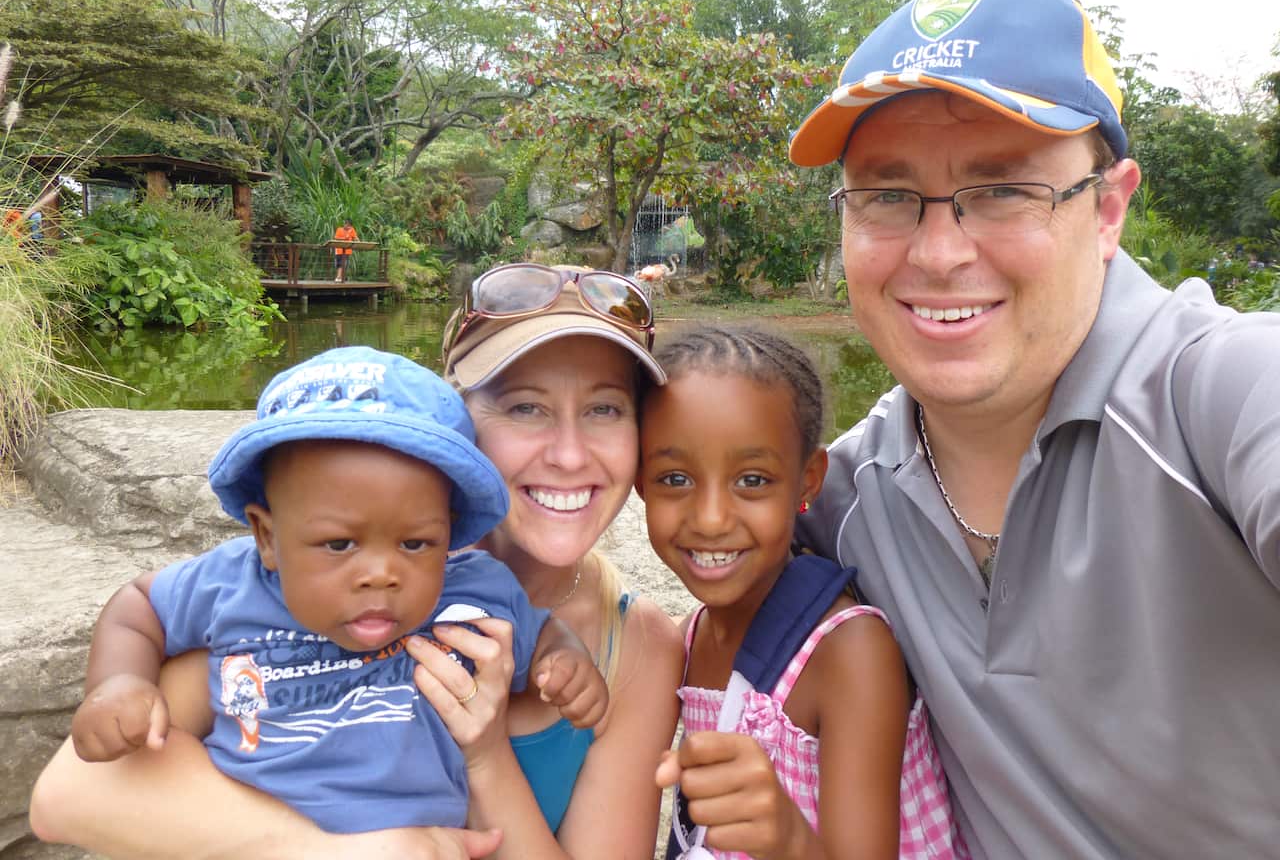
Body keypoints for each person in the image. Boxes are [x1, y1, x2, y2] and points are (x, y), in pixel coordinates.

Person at [787, 0, 1280, 858]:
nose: (938, 254)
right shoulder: (841, 500)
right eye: (888, 195)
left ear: (1109, 209)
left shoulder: (1221, 395)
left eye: (1004, 188)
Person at [30, 263, 685, 860]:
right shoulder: (291, 605)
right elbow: (70, 796)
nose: (569, 454)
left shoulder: (633, 647)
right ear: (460, 419)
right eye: (525, 407)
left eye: (605, 408)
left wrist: (484, 753)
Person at [67, 345, 608, 833]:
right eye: (339, 544)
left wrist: (564, 659)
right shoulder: (232, 582)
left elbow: (539, 629)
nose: (380, 573)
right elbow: (137, 606)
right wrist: (118, 683)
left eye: (416, 544)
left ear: (450, 535)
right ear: (268, 537)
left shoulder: (472, 592)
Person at [639, 326, 964, 860]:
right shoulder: (689, 638)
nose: (712, 519)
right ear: (638, 483)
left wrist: (788, 839)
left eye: (753, 480)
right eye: (675, 479)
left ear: (809, 481)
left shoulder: (850, 653)